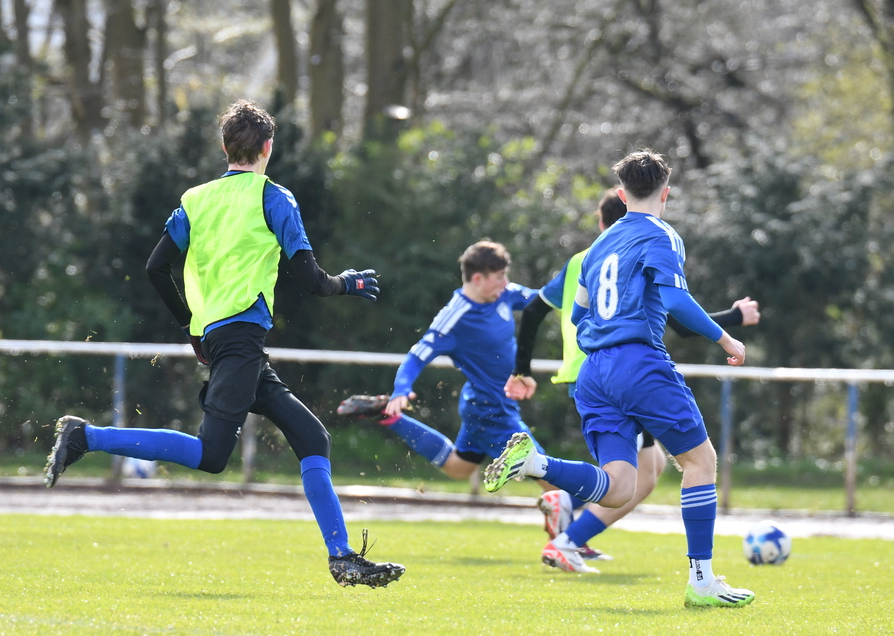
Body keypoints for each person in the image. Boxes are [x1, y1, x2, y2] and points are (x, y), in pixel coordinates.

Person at [44, 99, 405, 589]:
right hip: (240, 340)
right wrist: (350, 283)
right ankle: (87, 437)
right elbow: (313, 281)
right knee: (211, 455)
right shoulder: (274, 197)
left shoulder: (195, 200)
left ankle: (341, 557)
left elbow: (156, 268)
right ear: (268, 148)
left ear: (224, 147)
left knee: (312, 438)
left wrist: (191, 327)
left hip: (227, 340)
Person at [484, 150, 755, 608]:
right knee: (700, 461)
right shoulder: (663, 235)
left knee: (619, 487)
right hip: (639, 363)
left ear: (622, 195)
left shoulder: (597, 247)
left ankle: (536, 465)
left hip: (594, 372)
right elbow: (675, 301)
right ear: (665, 194)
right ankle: (702, 580)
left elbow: (579, 314)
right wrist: (726, 338)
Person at [337, 240, 605, 573]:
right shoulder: (456, 315)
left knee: (459, 468)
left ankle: (389, 418)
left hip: (486, 405)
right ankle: (570, 541)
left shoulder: (503, 295)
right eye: (499, 277)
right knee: (558, 482)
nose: (505, 283)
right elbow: (418, 354)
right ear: (477, 278)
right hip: (491, 412)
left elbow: (541, 299)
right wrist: (402, 388)